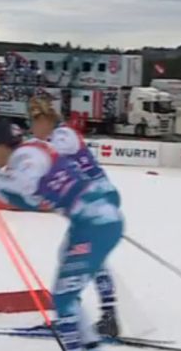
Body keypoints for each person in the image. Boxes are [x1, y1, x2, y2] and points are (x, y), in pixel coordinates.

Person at [0, 116, 124, 351]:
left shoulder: (28, 154)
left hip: (95, 224)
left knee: (63, 297)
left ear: (0, 145)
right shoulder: (26, 156)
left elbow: (25, 185)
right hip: (89, 224)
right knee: (67, 296)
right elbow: (26, 200)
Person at [27, 97, 120, 337]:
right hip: (91, 201)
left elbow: (52, 159)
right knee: (86, 256)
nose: (32, 127)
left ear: (46, 119)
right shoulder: (54, 137)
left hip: (97, 199)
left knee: (75, 255)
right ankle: (104, 314)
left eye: (34, 122)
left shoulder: (63, 135)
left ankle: (83, 314)